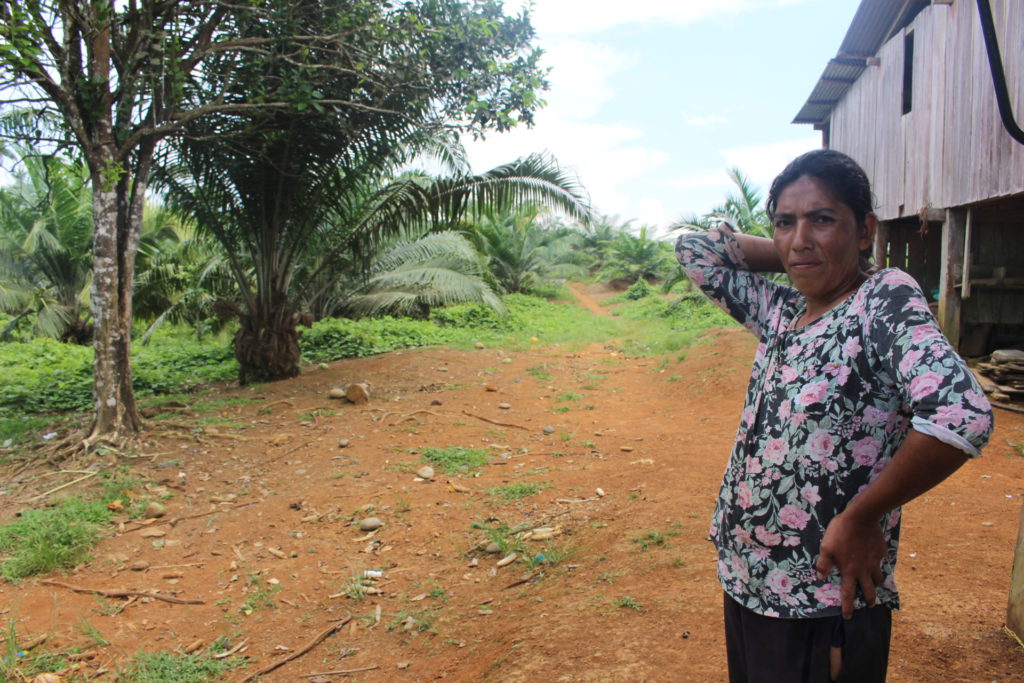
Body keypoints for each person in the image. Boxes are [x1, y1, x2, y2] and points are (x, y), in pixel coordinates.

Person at [674, 149, 994, 683]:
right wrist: (804, 252)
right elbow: (695, 250)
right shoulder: (780, 311)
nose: (800, 235)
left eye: (822, 219)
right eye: (784, 222)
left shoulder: (881, 299)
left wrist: (865, 516)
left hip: (822, 595)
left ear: (865, 229)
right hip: (751, 580)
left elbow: (961, 414)